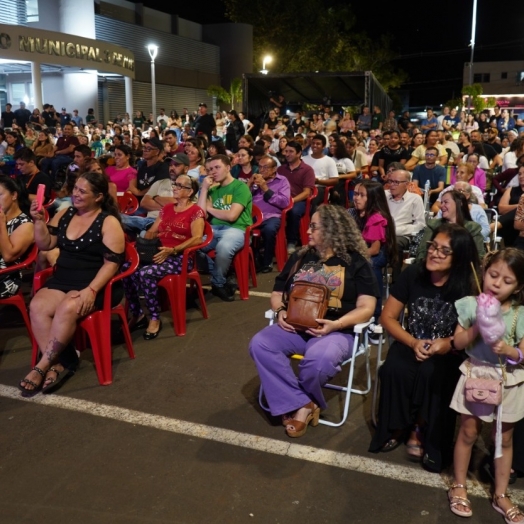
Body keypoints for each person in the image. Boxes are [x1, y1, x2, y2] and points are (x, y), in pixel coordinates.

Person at [249, 204, 379, 437]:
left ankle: (295, 401)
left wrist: (337, 324)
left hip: (337, 331)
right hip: (295, 327)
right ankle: (303, 403)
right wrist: (280, 311)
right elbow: (278, 291)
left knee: (318, 362)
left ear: (332, 231)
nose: (307, 231)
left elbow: (367, 307)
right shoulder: (301, 257)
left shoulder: (356, 262)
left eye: (314, 227)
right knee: (260, 344)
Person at [369, 223, 480, 472]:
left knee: (433, 373)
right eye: (433, 246)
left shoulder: (467, 286)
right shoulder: (413, 274)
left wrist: (447, 343)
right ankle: (398, 425)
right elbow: (387, 317)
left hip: (448, 350)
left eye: (444, 251)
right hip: (412, 341)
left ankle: (421, 428)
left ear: (458, 257)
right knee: (393, 369)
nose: (434, 253)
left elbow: (470, 333)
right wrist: (412, 341)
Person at [19, 172, 125, 396]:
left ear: (98, 197)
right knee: (37, 306)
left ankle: (43, 365)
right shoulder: (65, 213)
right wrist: (39, 221)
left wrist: (91, 290)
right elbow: (45, 244)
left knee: (67, 308)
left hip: (95, 283)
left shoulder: (108, 221)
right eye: (75, 188)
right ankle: (60, 362)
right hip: (64, 279)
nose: (75, 194)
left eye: (82, 191)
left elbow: (111, 264)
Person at [448, 249, 524, 521]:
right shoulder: (470, 304)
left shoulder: (519, 313)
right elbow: (456, 343)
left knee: (504, 438)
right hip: (476, 375)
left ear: (518, 287)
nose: (496, 284)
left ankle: (501, 494)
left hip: (508, 380)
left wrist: (509, 350)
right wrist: (478, 327)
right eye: (493, 275)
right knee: (468, 432)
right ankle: (458, 485)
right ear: (483, 273)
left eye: (507, 281)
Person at [123, 174, 205, 339]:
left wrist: (173, 250)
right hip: (158, 252)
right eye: (175, 184)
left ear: (190, 192)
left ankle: (154, 317)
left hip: (179, 257)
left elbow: (197, 238)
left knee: (146, 273)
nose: (175, 187)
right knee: (126, 269)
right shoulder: (166, 209)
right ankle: (138, 313)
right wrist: (142, 247)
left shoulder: (196, 211)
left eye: (180, 186)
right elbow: (153, 231)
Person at [197, 154, 252, 301]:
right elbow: (200, 215)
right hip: (214, 229)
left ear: (228, 168)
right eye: (209, 169)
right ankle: (221, 275)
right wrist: (203, 190)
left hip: (237, 229)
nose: (213, 172)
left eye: (217, 167)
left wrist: (211, 209)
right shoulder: (212, 190)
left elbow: (232, 216)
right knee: (193, 245)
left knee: (224, 247)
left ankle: (218, 283)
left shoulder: (240, 187)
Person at [350, 180, 398, 337]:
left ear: (372, 199)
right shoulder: (354, 213)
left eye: (362, 195)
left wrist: (353, 256)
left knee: (369, 267)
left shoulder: (375, 217)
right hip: (362, 249)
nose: (357, 198)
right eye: (356, 194)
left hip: (378, 253)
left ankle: (375, 316)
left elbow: (374, 250)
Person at [415, 190, 485, 262]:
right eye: (441, 202)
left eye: (446, 202)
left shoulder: (473, 228)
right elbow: (422, 252)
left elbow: (479, 255)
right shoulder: (433, 225)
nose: (441, 206)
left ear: (459, 203)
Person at [248, 155, 290, 273]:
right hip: (252, 216)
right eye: (260, 167)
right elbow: (242, 199)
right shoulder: (255, 180)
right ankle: (252, 260)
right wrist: (249, 185)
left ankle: (267, 261)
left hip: (271, 216)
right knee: (239, 228)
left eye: (265, 167)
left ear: (274, 169)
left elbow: (284, 202)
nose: (262, 170)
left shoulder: (282, 181)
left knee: (269, 230)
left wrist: (265, 188)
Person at [277, 141, 316, 254]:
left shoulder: (307, 169)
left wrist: (292, 200)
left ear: (299, 154)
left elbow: (307, 192)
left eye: (291, 152)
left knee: (294, 211)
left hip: (299, 200)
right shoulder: (281, 169)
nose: (287, 154)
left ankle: (291, 241)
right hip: (281, 199)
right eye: (286, 151)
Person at [0, 175, 34, 298]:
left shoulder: (25, 224)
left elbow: (8, 256)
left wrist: (1, 225)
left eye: (0, 195)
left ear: (14, 195)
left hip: (6, 278)